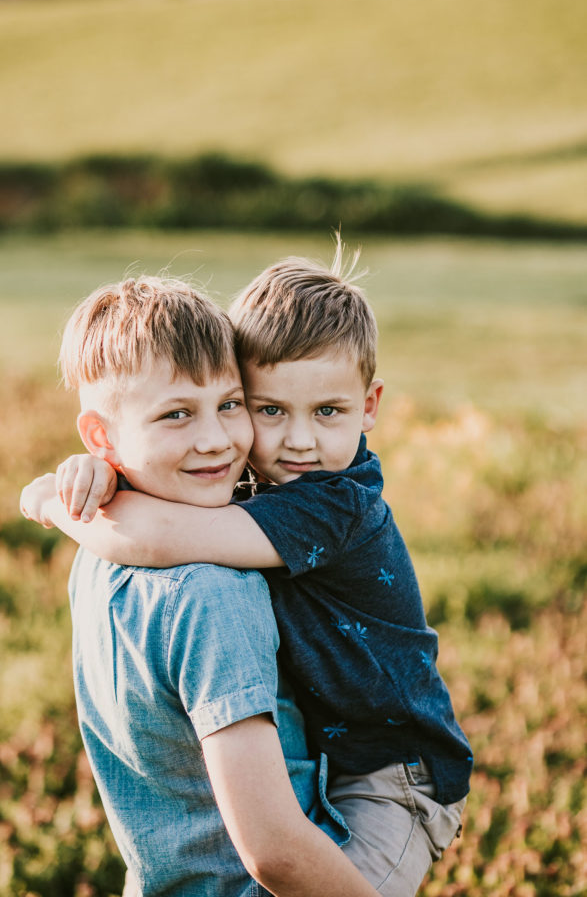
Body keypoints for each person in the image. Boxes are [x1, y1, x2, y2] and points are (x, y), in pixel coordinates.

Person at [24, 245, 473, 896]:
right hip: (331, 757)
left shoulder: (332, 504)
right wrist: (99, 471)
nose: (297, 441)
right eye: (266, 410)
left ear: (368, 405)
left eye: (327, 412)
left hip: (393, 777)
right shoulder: (253, 486)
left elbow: (157, 534)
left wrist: (53, 501)